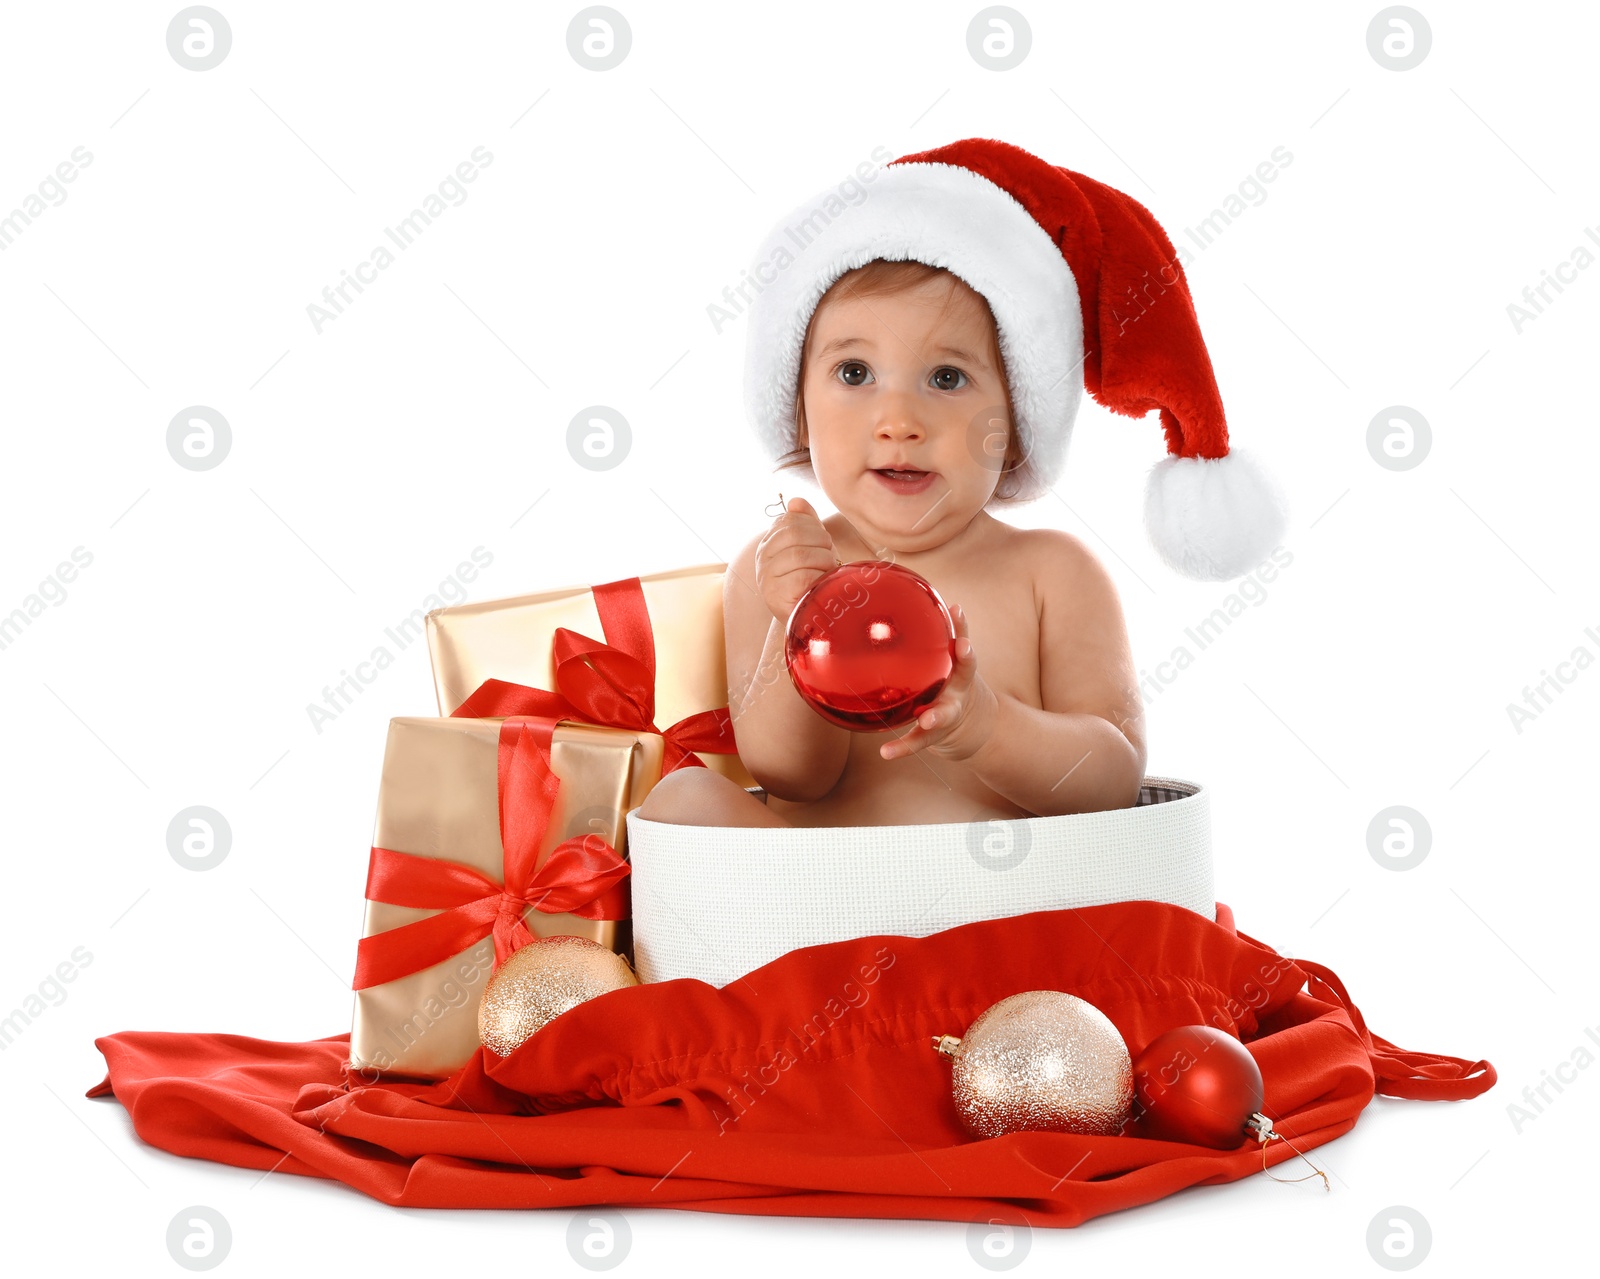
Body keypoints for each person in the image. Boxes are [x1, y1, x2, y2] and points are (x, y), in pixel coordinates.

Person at [636, 138, 1288, 829]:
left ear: (1017, 421)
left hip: (1011, 909)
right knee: (682, 802)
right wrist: (797, 617)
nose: (899, 421)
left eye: (947, 378)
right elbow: (793, 777)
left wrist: (986, 726)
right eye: (855, 374)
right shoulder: (774, 568)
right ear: (797, 404)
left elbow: (1111, 779)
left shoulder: (1052, 573)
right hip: (832, 903)